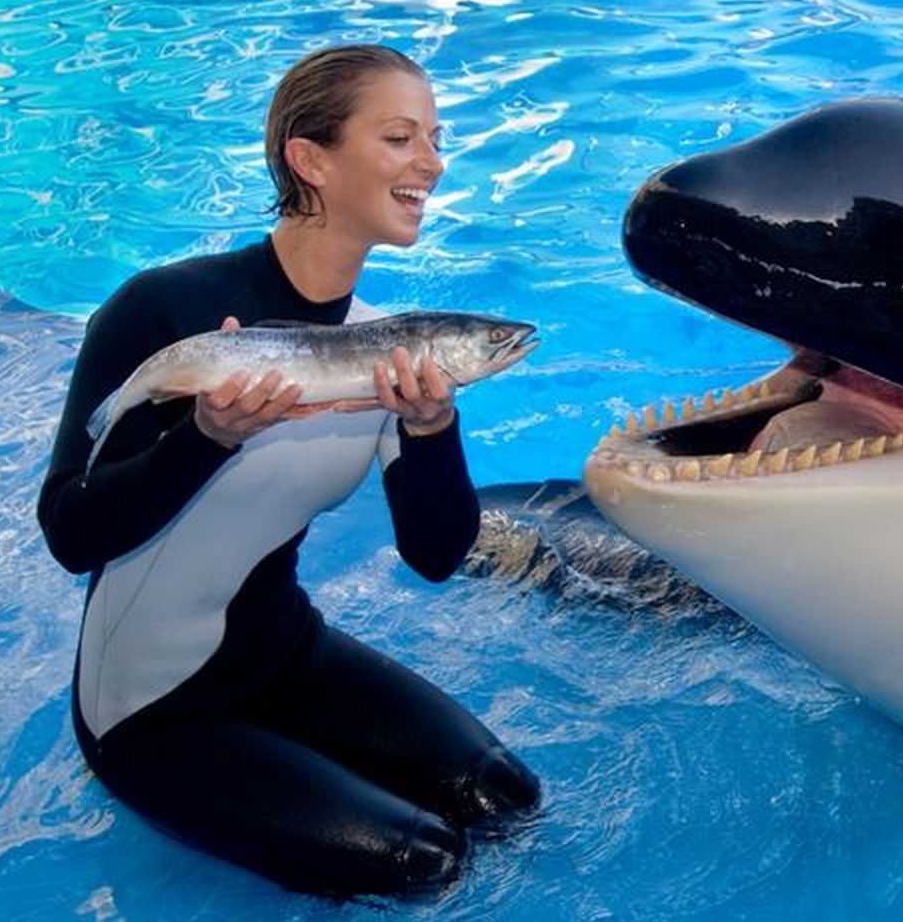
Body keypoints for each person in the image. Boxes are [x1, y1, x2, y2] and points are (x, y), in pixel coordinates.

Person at [37, 44, 540, 897]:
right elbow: (72, 533)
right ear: (311, 160)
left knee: (506, 798)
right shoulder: (167, 313)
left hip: (283, 653)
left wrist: (432, 426)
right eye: (400, 138)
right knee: (424, 864)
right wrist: (206, 436)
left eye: (436, 138)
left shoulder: (385, 349)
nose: (432, 162)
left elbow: (436, 556)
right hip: (151, 703)